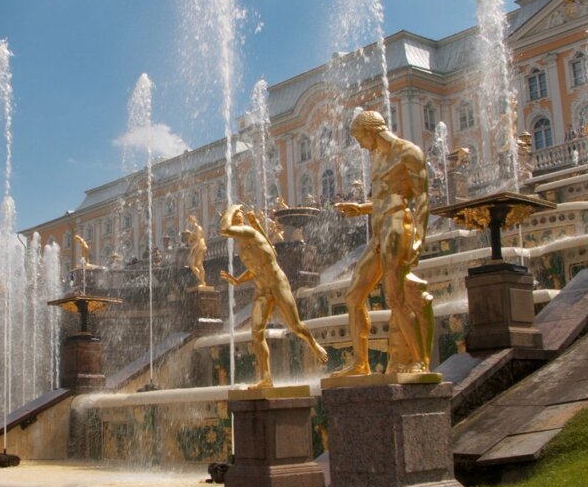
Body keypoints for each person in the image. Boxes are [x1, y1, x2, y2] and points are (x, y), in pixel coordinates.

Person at [334, 110, 434, 376]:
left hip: (397, 226)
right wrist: (362, 208)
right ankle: (360, 363)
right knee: (354, 296)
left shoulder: (408, 152)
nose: (359, 145)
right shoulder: (377, 157)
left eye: (359, 138)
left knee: (395, 297)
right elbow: (383, 197)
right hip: (379, 232)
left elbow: (421, 198)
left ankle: (419, 360)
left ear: (370, 130)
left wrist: (419, 239)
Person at [218, 204, 329, 388]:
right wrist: (237, 280)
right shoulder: (243, 245)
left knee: (295, 326)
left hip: (277, 283)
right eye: (235, 215)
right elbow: (255, 267)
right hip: (261, 289)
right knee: (256, 333)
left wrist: (231, 208)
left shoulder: (250, 233)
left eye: (239, 215)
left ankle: (313, 343)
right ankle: (266, 377)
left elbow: (224, 229)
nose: (238, 217)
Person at [186, 215, 207, 288]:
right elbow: (191, 240)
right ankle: (201, 280)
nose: (190, 223)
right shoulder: (194, 229)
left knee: (199, 264)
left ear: (193, 220)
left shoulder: (197, 228)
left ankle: (202, 281)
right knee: (192, 265)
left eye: (190, 221)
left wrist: (192, 249)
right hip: (197, 247)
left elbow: (198, 239)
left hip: (200, 246)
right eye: (189, 221)